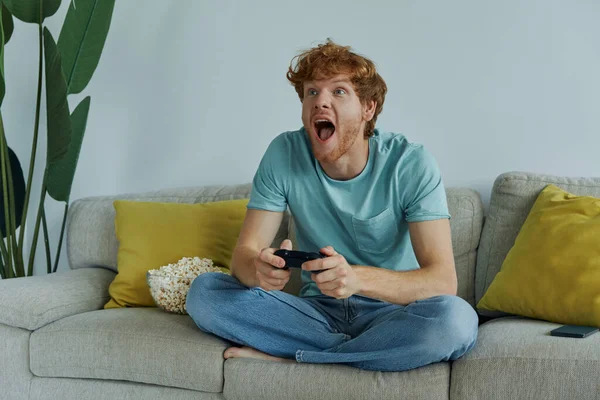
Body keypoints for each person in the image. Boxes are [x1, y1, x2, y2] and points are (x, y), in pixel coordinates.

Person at [185, 39, 478, 372]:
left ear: (368, 108)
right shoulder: (283, 153)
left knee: (455, 321)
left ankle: (296, 356)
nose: (320, 102)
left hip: (392, 315)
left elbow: (442, 282)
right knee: (205, 293)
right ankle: (354, 355)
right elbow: (244, 254)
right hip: (314, 315)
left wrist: (355, 279)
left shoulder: (410, 163)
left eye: (338, 92)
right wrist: (259, 271)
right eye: (312, 92)